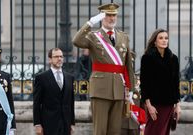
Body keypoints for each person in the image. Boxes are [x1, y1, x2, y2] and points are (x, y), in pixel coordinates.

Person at [72, 3, 135, 135]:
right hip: (100, 89)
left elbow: (128, 65)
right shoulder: (93, 36)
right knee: (100, 130)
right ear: (102, 17)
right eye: (108, 15)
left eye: (114, 15)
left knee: (115, 130)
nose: (112, 18)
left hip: (118, 89)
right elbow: (76, 41)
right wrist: (90, 23)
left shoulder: (123, 36)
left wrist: (131, 89)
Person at [140, 29, 181, 135]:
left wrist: (177, 105)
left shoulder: (173, 59)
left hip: (169, 105)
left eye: (166, 38)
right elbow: (144, 84)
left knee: (164, 132)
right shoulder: (147, 58)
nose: (164, 40)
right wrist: (149, 106)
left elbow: (175, 83)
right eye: (161, 38)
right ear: (155, 41)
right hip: (154, 105)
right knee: (152, 132)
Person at [33, 48, 75, 135]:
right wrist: (37, 124)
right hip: (48, 124)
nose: (59, 59)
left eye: (61, 56)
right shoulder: (41, 78)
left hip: (65, 124)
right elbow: (37, 103)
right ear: (50, 59)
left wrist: (72, 123)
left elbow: (71, 103)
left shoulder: (69, 77)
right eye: (56, 56)